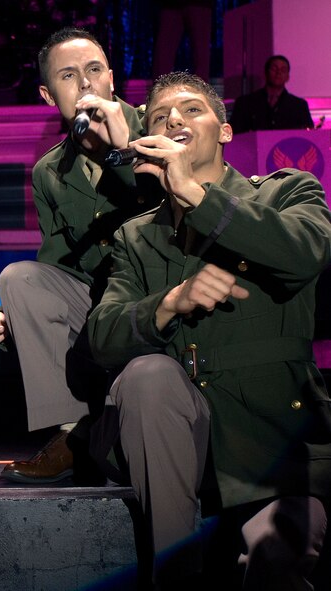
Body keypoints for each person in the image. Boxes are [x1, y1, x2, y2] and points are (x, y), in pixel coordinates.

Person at [87, 71, 331, 589]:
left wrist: (199, 196)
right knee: (148, 374)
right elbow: (103, 336)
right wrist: (171, 302)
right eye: (158, 116)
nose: (173, 119)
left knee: (282, 555)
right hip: (177, 442)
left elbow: (304, 253)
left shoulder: (288, 192)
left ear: (224, 131)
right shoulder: (137, 235)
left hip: (273, 441)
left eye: (192, 109)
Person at [0, 27, 161, 484]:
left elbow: (179, 212)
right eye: (69, 75)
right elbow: (58, 265)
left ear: (112, 79)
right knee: (19, 279)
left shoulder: (159, 129)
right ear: (47, 94)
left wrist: (125, 149)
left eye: (95, 70)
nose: (86, 84)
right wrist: (10, 314)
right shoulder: (50, 172)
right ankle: (75, 432)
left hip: (160, 292)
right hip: (99, 300)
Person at [229, 55, 314, 134]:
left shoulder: (299, 106)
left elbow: (308, 134)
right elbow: (235, 134)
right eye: (274, 69)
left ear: (288, 76)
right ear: (266, 73)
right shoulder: (245, 103)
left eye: (283, 70)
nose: (278, 73)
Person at [152, 0, 213, 82]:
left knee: (201, 55)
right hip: (170, 5)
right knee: (163, 54)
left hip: (200, 4)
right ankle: (158, 90)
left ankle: (201, 92)